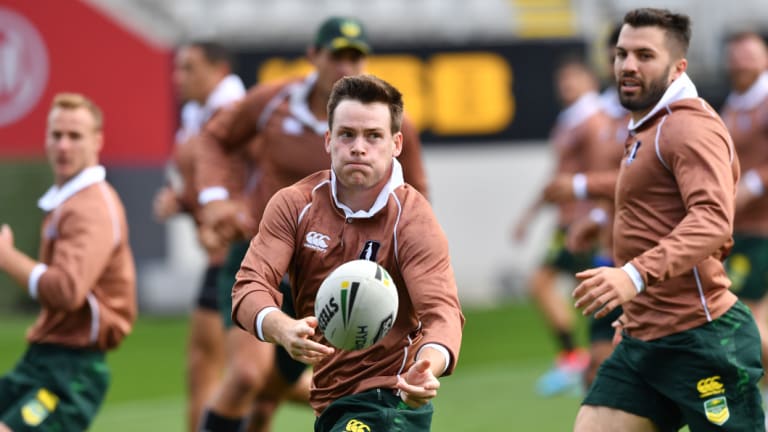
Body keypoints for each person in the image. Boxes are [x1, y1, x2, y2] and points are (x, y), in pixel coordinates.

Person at [195, 16, 430, 432]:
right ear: (313, 56)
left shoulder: (392, 124)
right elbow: (215, 137)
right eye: (336, 55)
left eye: (354, 56)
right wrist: (214, 198)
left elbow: (416, 198)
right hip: (262, 253)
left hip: (333, 273)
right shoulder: (274, 101)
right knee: (247, 377)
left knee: (268, 393)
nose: (345, 66)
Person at [231, 73, 463, 432]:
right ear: (328, 140)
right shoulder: (295, 205)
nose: (359, 147)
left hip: (392, 401)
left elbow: (442, 313)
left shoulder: (413, 221)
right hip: (332, 401)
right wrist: (283, 328)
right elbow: (248, 286)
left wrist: (427, 365)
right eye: (347, 134)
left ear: (396, 143)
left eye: (373, 136)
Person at [573, 8, 764, 431]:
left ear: (678, 66)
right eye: (622, 54)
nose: (627, 65)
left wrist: (633, 277)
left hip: (700, 339)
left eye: (644, 55)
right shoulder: (648, 123)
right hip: (644, 337)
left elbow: (714, 220)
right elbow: (653, 210)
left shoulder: (687, 127)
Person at [0, 93, 137, 431]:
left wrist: (7, 257)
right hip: (44, 358)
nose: (63, 145)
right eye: (56, 135)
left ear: (97, 142)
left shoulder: (91, 208)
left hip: (73, 371)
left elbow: (66, 290)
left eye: (75, 136)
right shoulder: (70, 201)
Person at [152, 41, 247, 432]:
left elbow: (249, 186)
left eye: (189, 68)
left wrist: (210, 213)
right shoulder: (198, 115)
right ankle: (348, 401)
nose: (179, 77)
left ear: (219, 68)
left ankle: (351, 403)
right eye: (177, 68)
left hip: (238, 257)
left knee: (229, 373)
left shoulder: (237, 116)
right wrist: (183, 201)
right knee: (235, 374)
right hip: (218, 256)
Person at [513, 55, 610, 396]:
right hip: (567, 221)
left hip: (583, 223)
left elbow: (603, 173)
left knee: (593, 293)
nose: (566, 86)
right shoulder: (570, 121)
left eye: (573, 79)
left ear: (590, 82)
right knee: (573, 289)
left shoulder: (594, 121)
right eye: (562, 80)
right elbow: (557, 176)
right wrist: (530, 215)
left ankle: (587, 359)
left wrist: (597, 216)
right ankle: (579, 358)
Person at [720, 30, 768, 409]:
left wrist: (755, 181)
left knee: (745, 325)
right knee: (745, 326)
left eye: (750, 53)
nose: (742, 61)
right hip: (741, 231)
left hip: (763, 231)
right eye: (736, 54)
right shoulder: (733, 106)